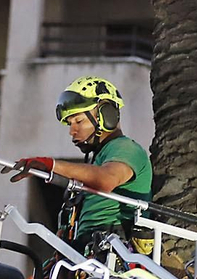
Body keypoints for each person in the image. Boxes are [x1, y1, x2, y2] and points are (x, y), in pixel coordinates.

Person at [12, 76, 152, 253]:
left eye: (79, 121)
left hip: (112, 248)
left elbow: (106, 180)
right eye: (70, 124)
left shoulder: (125, 148)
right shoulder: (100, 157)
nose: (72, 131)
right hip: (88, 249)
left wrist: (51, 164)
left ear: (106, 115)